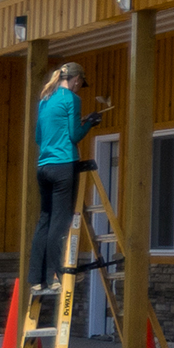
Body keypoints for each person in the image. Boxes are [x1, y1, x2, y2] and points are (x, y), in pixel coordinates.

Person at [32, 63, 107, 292]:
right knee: (60, 221)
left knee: (45, 219)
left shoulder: (45, 99)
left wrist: (76, 123)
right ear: (75, 79)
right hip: (64, 165)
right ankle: (55, 274)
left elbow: (39, 136)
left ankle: (36, 279)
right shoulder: (72, 99)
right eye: (80, 84)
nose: (79, 88)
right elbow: (74, 135)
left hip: (43, 166)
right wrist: (90, 124)